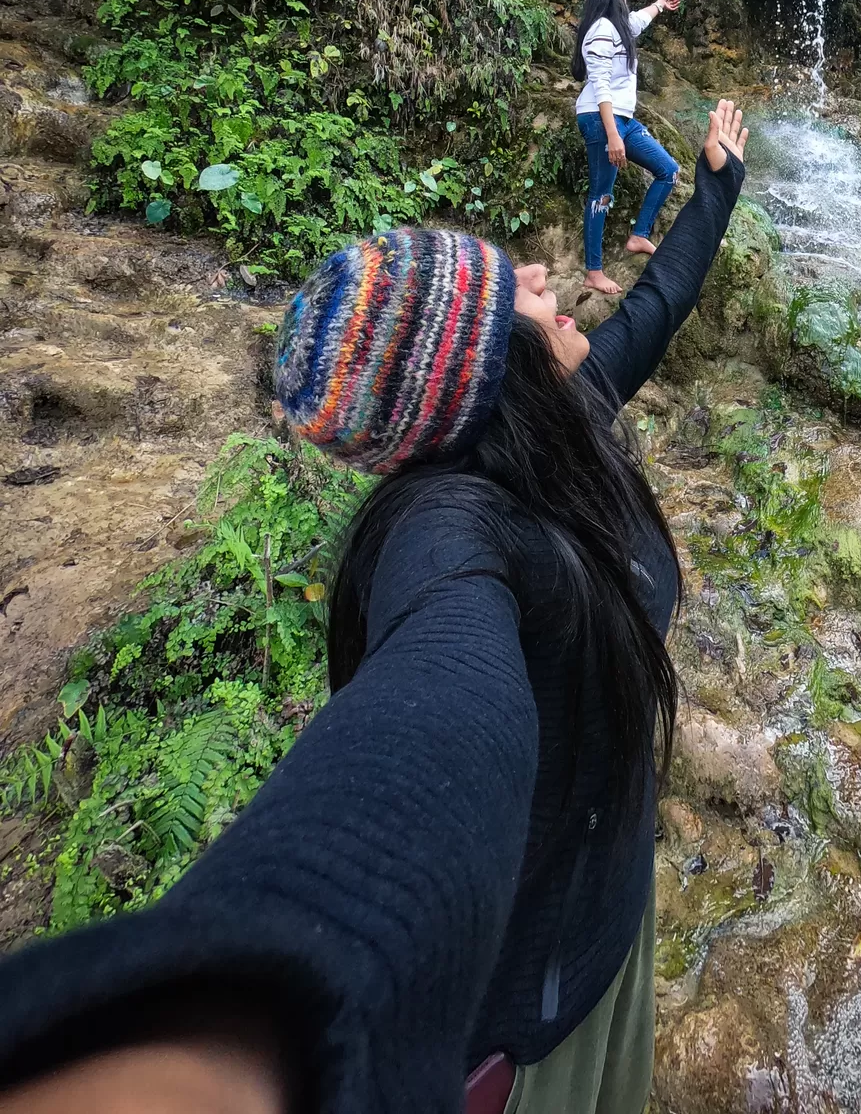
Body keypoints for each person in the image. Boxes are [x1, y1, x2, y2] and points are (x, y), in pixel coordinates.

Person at [0, 100, 750, 1114]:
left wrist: (716, 184)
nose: (539, 274)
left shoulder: (555, 423)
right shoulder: (448, 534)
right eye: (509, 290)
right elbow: (433, 721)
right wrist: (253, 1017)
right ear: (478, 371)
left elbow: (654, 306)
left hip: (605, 926)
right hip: (533, 1032)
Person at [571, 0, 682, 298]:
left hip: (622, 120)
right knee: (601, 194)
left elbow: (638, 21)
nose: (626, 0)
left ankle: (639, 235)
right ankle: (593, 272)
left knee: (669, 170)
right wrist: (613, 136)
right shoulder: (601, 32)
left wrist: (660, 5)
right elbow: (601, 86)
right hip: (600, 118)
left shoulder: (618, 27)